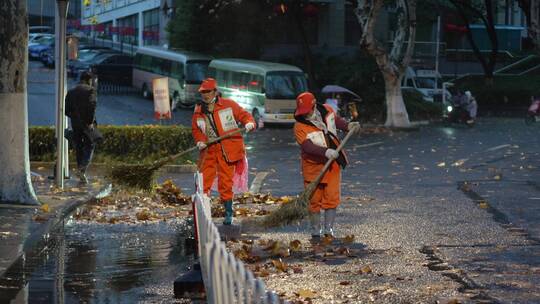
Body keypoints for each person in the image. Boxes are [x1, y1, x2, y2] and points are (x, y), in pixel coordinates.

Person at [293, 92, 359, 238]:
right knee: (314, 200)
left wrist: (348, 126)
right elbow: (307, 147)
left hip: (332, 165)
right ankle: (316, 229)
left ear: (314, 104)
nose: (305, 115)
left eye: (307, 111)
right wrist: (326, 152)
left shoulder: (327, 110)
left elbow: (336, 121)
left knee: (331, 197)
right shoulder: (299, 126)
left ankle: (328, 229)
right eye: (302, 112)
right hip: (313, 168)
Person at [192, 78, 256, 225]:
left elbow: (244, 115)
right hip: (208, 150)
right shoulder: (198, 110)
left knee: (226, 182)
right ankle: (202, 212)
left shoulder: (228, 105)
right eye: (203, 92)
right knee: (203, 181)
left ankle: (228, 213)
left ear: (215, 91)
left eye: (208, 91)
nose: (205, 95)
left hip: (226, 149)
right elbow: (196, 129)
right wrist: (199, 140)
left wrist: (249, 123)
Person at [65, 71, 97, 184]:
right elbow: (92, 107)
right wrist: (90, 122)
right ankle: (82, 169)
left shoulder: (71, 91)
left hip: (75, 124)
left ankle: (81, 172)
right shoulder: (91, 90)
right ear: (89, 80)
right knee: (91, 144)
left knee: (79, 146)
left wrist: (74, 117)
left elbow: (66, 110)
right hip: (87, 125)